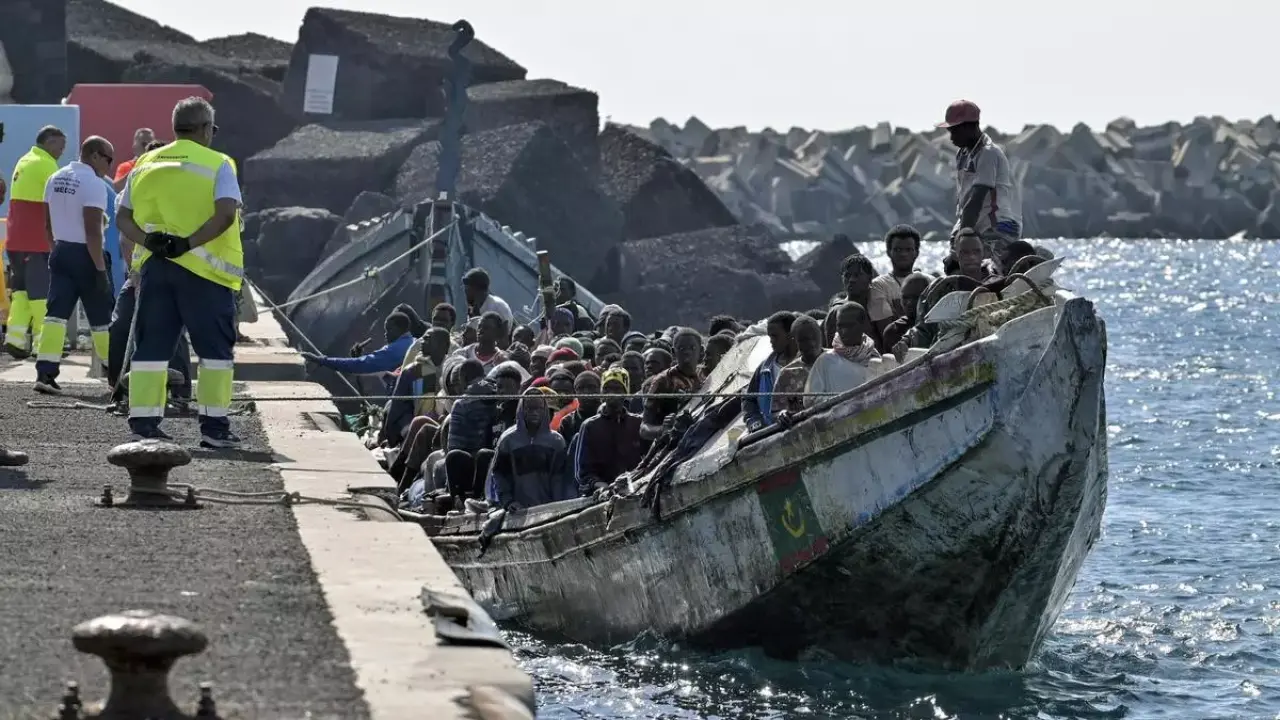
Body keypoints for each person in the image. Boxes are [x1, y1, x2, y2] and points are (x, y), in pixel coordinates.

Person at [115, 97, 244, 447]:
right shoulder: (218, 163)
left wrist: (150, 241)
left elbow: (122, 218)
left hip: (156, 269)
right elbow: (225, 214)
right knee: (214, 353)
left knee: (151, 348)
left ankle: (143, 425)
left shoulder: (144, 163)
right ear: (205, 129)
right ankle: (214, 430)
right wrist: (186, 243)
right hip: (205, 274)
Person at [32, 137, 117, 395]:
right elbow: (93, 231)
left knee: (55, 315)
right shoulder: (94, 184)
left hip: (60, 250)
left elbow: (47, 224)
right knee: (102, 318)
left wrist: (56, 250)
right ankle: (115, 376)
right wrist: (100, 269)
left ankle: (45, 373)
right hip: (87, 255)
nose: (110, 166)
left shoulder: (55, 178)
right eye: (108, 159)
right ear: (94, 155)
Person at [4, 125, 65, 359]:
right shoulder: (46, 164)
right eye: (60, 146)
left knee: (21, 292)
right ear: (49, 142)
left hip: (16, 241)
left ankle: (15, 339)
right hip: (36, 242)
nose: (61, 151)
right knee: (41, 295)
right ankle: (44, 345)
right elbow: (58, 202)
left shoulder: (24, 160)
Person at [938, 99, 1021, 258]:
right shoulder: (962, 154)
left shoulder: (988, 153)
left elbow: (976, 199)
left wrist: (964, 238)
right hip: (979, 224)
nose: (951, 137)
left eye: (954, 131)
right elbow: (965, 202)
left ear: (970, 127)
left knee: (979, 260)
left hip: (1000, 226)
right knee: (953, 259)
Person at [446, 361, 524, 506]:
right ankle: (458, 501)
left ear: (518, 388)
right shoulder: (495, 412)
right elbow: (486, 441)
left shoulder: (520, 410)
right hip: (490, 461)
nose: (502, 391)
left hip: (510, 461)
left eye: (508, 387)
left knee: (484, 455)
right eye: (499, 387)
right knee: (455, 456)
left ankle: (480, 499)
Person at [486, 388, 571, 511]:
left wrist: (559, 505)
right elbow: (500, 475)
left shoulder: (557, 441)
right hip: (517, 509)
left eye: (539, 408)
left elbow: (560, 478)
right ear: (521, 409)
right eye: (529, 408)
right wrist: (508, 501)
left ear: (545, 410)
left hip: (550, 508)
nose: (534, 413)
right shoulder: (507, 440)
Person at [302, 313, 414, 393]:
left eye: (389, 330)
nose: (385, 334)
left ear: (399, 329)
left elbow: (360, 364)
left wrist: (322, 360)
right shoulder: (414, 342)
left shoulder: (394, 350)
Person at [574, 367, 644, 496]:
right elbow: (583, 472)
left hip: (636, 490)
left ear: (625, 392)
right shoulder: (590, 426)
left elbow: (647, 460)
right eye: (607, 388)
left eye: (617, 388)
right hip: (600, 494)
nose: (611, 392)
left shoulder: (637, 423)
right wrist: (601, 486)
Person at [806, 302, 890, 404]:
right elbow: (809, 400)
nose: (844, 331)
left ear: (864, 325)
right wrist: (844, 401)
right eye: (840, 326)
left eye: (850, 326)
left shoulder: (875, 359)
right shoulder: (825, 361)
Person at [640, 328, 703, 441]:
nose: (687, 352)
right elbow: (644, 429)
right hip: (671, 445)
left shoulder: (705, 376)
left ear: (701, 351)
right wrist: (663, 429)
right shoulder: (663, 381)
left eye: (692, 348)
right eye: (681, 348)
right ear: (673, 352)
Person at [743, 311, 798, 432]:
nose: (771, 341)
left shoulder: (806, 362)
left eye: (775, 336)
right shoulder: (764, 369)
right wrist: (754, 421)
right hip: (772, 433)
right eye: (770, 337)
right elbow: (749, 399)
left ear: (791, 334)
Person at [867, 224, 921, 342]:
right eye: (898, 250)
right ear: (888, 252)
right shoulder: (879, 286)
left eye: (908, 249)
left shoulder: (928, 281)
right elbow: (888, 333)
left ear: (916, 252)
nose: (903, 254)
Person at [773, 314, 824, 424]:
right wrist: (781, 414)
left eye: (814, 337)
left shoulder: (836, 359)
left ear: (821, 334)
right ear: (794, 341)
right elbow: (775, 411)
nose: (811, 343)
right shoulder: (786, 375)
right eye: (804, 340)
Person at [881, 272, 933, 351]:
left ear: (929, 297)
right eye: (905, 297)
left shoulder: (939, 325)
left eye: (916, 297)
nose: (909, 303)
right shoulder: (893, 331)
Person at [112, 128, 155, 192]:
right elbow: (117, 188)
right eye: (144, 144)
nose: (147, 147)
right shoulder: (126, 166)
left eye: (151, 144)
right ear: (134, 146)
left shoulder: (158, 165)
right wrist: (138, 166)